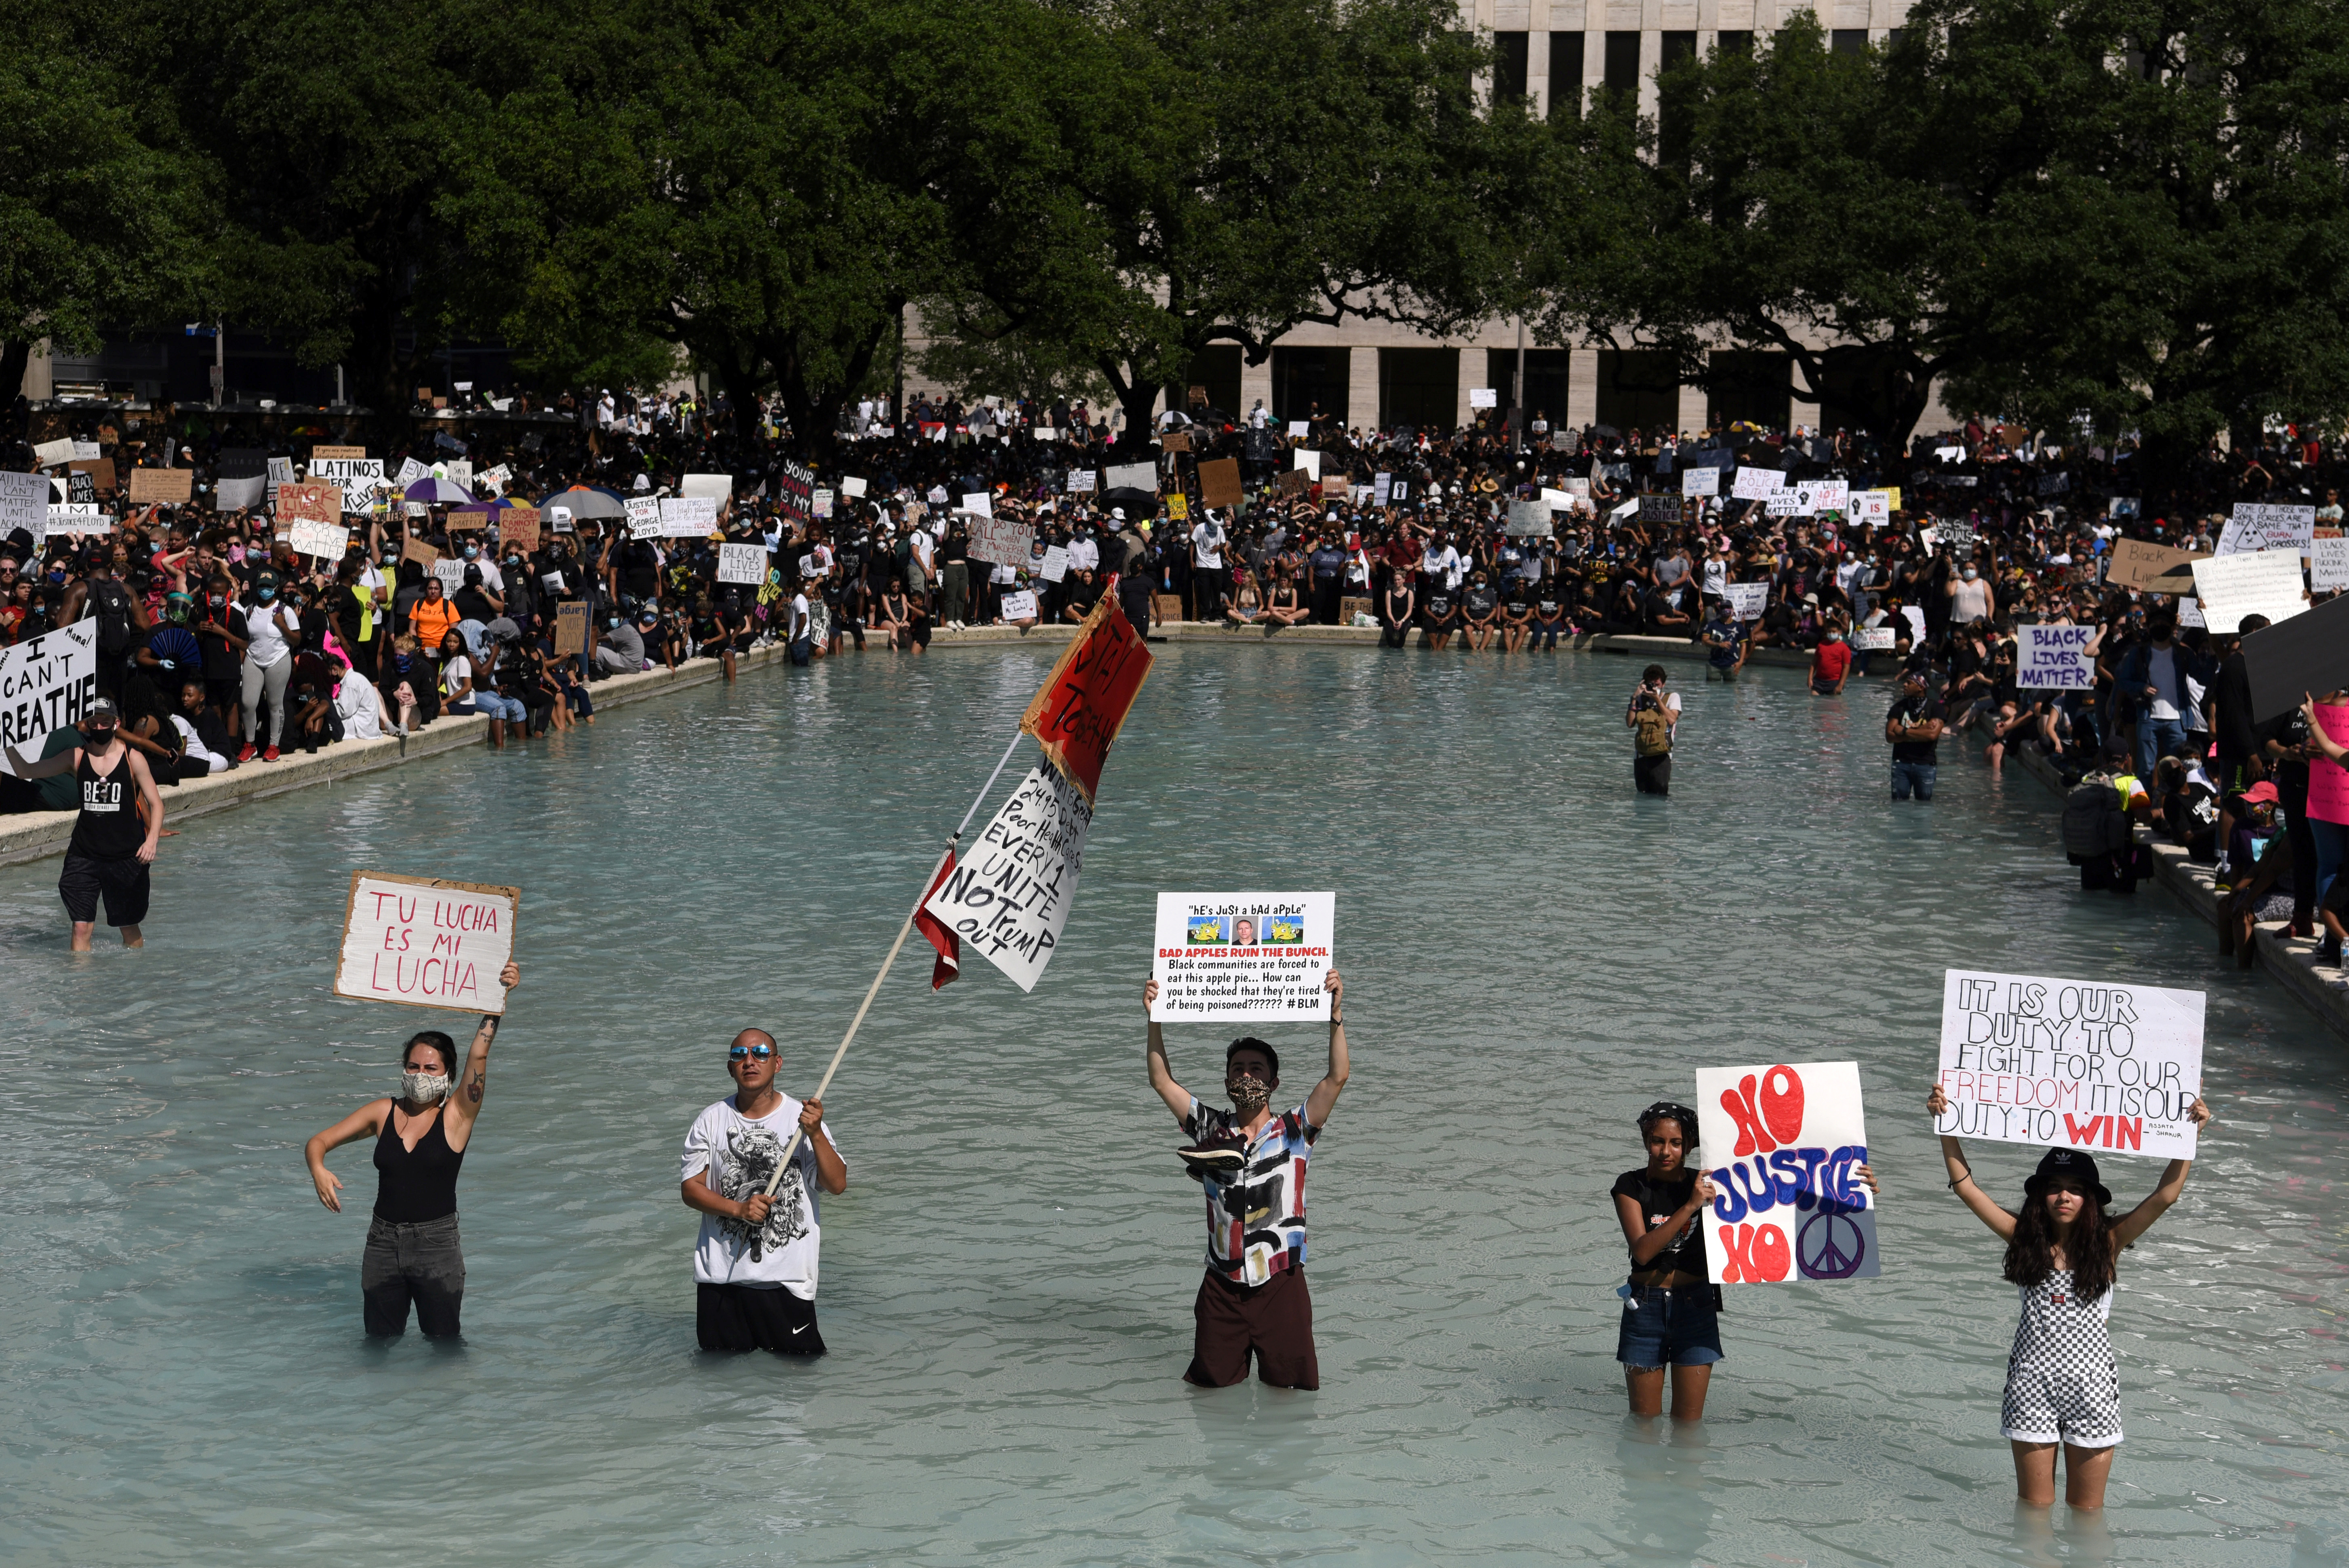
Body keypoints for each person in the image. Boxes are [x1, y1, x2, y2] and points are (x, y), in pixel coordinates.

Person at [1926, 1082, 2212, 1509]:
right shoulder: (2023, 1238)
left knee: (2087, 1511)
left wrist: (2191, 1133)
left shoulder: (2110, 1240)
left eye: (2075, 1188)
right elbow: (1967, 1188)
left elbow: (2166, 1196)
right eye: (2055, 1186)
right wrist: (1946, 1124)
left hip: (2092, 1387)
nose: (2064, 1196)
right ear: (2040, 1195)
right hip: (2031, 1384)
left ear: (2090, 1198)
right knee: (2034, 1508)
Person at [1143, 970, 1348, 1389]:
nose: (1247, 1075)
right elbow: (1161, 1080)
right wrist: (1155, 1016)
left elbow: (1337, 1077)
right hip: (1222, 1288)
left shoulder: (1295, 1129)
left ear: (1273, 1083)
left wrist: (1336, 1016)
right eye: (1238, 1069)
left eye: (1256, 1069)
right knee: (1210, 1395)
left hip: (1281, 1283)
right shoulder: (1211, 1129)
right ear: (1227, 1083)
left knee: (1290, 1396)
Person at [302, 962, 523, 1338]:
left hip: (437, 1246)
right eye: (413, 1066)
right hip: (382, 1244)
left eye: (431, 1068)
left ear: (449, 1076)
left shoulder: (457, 1116)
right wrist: (318, 1169)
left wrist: (498, 999)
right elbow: (318, 1142)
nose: (420, 1075)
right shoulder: (383, 1112)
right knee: (377, 1343)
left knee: (445, 1345)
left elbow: (479, 1056)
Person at [679, 1029, 848, 1355]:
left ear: (777, 1063)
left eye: (760, 1053)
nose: (749, 1061)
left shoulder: (803, 1120)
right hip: (721, 1282)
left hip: (786, 1283)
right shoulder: (710, 1120)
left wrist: (815, 1133)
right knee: (719, 1379)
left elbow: (837, 1184)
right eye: (739, 1055)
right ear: (730, 1068)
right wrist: (739, 1210)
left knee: (797, 1375)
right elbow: (690, 1189)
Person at [6, 698, 164, 950]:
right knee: (80, 927)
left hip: (125, 855)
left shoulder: (133, 758)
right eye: (94, 722)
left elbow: (157, 804)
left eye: (105, 722)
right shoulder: (77, 756)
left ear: (116, 723)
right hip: (84, 855)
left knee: (129, 928)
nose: (99, 727)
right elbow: (25, 771)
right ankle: (79, 976)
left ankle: (134, 974)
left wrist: (152, 840)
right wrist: (6, 742)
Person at [1886, 665, 1947, 802]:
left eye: (1909, 683)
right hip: (1901, 763)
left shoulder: (1936, 708)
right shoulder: (1898, 707)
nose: (1905, 685)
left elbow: (1932, 736)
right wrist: (1922, 731)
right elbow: (1890, 736)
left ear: (1921, 687)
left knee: (1924, 806)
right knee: (1898, 804)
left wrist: (1904, 731)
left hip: (1925, 765)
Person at [1626, 664, 1680, 797]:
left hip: (1662, 756)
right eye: (1651, 684)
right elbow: (1630, 723)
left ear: (1664, 684)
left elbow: (1672, 719)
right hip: (1641, 755)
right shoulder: (1640, 700)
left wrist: (1657, 699)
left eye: (1657, 684)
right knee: (1642, 794)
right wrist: (1634, 698)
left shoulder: (1672, 698)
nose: (1654, 688)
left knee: (1660, 795)